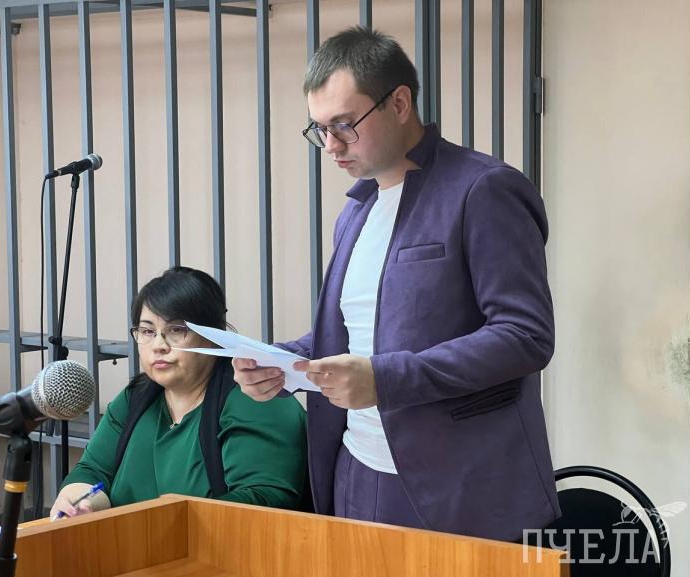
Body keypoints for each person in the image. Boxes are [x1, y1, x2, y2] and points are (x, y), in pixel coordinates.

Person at [233, 26, 560, 542]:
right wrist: (284, 363)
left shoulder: (482, 189)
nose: (330, 146)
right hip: (357, 468)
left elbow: (525, 335)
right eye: (319, 129)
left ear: (400, 103)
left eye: (344, 125)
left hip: (461, 483)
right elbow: (358, 335)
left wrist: (386, 380)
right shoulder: (357, 211)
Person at [51, 266, 307, 519]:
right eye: (147, 331)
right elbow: (93, 471)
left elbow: (263, 499)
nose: (158, 345)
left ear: (214, 336)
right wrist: (80, 502)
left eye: (176, 330)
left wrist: (164, 525)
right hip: (133, 543)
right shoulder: (136, 398)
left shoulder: (257, 396)